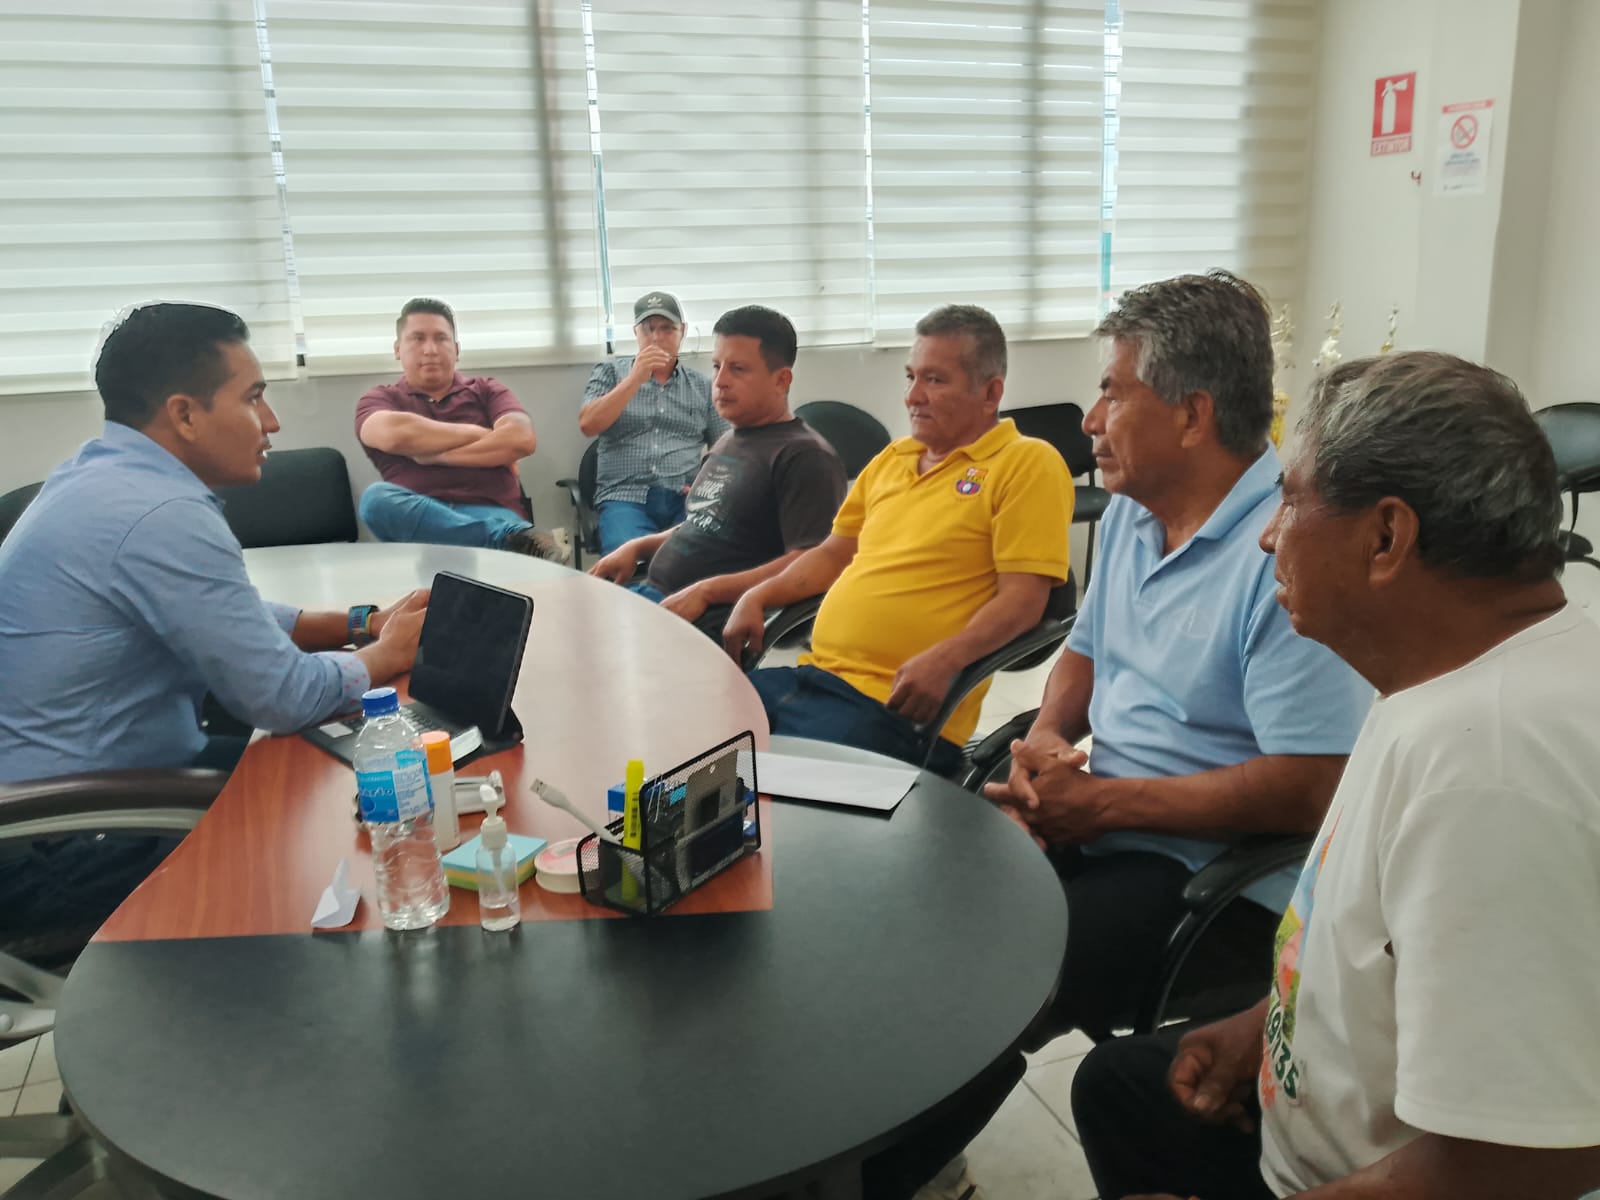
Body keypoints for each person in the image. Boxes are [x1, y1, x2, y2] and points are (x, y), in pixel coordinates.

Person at [1071, 352, 1600, 1200]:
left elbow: (1528, 1157)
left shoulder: (1488, 775)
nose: (1268, 535)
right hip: (1308, 1114)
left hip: (1354, 1178)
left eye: (1290, 500)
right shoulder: (1442, 664)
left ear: (1385, 537)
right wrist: (1265, 1024)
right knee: (1117, 1088)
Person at [986, 270, 1371, 1045]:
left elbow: (1311, 788)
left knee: (991, 983)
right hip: (1106, 825)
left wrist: (1104, 806)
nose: (1091, 421)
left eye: (1113, 394)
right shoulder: (1132, 513)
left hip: (1215, 879)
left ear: (1193, 416)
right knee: (934, 910)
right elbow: (1085, 653)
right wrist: (1049, 738)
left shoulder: (1290, 552)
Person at [0, 302, 427, 963]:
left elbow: (221, 612)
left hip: (80, 797)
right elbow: (283, 697)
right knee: (339, 805)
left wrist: (359, 623)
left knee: (322, 770)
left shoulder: (104, 475)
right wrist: (387, 654)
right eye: (253, 397)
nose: (272, 421)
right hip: (67, 836)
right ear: (184, 415)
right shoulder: (161, 512)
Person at [722, 305, 1074, 777]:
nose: (913, 396)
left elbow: (1024, 601)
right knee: (686, 738)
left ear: (990, 393)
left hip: (892, 710)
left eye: (935, 380)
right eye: (911, 376)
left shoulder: (1026, 463)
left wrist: (947, 659)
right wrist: (758, 596)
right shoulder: (894, 458)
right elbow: (833, 554)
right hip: (810, 679)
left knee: (752, 788)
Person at [587, 306, 846, 630]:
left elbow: (812, 564)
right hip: (656, 598)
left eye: (738, 369)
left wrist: (708, 592)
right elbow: (703, 523)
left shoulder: (804, 456)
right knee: (548, 612)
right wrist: (637, 547)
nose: (720, 381)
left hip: (700, 620)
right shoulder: (730, 441)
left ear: (781, 380)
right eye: (716, 366)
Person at [355, 297, 568, 561]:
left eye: (441, 338)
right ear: (398, 349)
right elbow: (393, 434)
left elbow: (520, 439)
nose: (430, 349)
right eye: (418, 338)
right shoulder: (380, 398)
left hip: (492, 512)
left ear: (456, 349)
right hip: (419, 521)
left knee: (501, 531)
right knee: (376, 501)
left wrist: (432, 455)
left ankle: (506, 540)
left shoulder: (487, 390)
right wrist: (480, 434)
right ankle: (504, 542)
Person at [580, 290, 728, 555]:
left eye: (667, 328)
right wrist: (635, 378)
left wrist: (705, 484)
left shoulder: (703, 387)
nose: (657, 337)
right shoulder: (610, 372)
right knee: (628, 561)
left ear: (682, 331)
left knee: (702, 558)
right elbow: (588, 424)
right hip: (625, 498)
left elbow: (726, 448)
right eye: (648, 329)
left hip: (684, 499)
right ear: (635, 332)